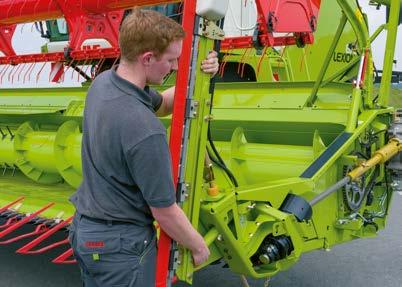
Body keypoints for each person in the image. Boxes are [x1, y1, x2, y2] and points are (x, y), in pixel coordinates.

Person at [68, 7, 220, 287]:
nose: (175, 67)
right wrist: (198, 246)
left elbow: (162, 103)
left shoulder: (104, 85)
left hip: (86, 232)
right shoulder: (145, 129)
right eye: (172, 60)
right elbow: (165, 212)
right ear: (147, 58)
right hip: (121, 249)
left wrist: (198, 73)